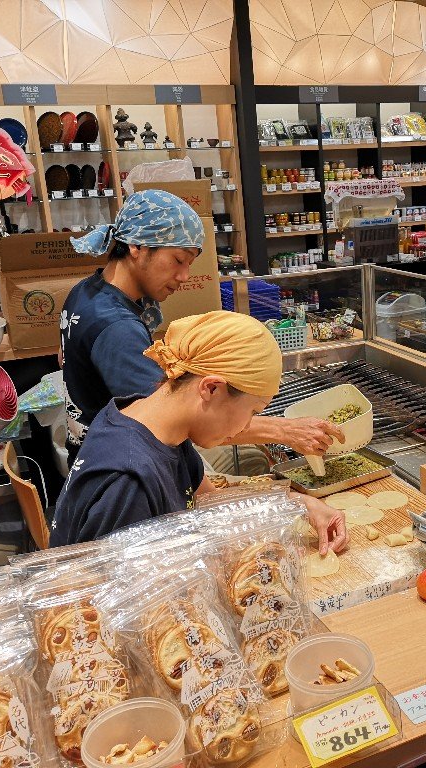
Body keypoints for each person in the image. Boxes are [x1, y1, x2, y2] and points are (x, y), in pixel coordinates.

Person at [61, 189, 343, 472]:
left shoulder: (86, 293)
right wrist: (284, 430)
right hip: (117, 468)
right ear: (136, 246)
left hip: (93, 453)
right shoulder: (117, 326)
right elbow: (166, 418)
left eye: (190, 263)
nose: (184, 276)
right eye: (178, 260)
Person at [50, 310, 349, 552]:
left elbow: (209, 502)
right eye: (253, 412)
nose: (247, 427)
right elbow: (116, 600)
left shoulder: (158, 427)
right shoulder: (130, 480)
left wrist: (297, 505)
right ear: (211, 388)